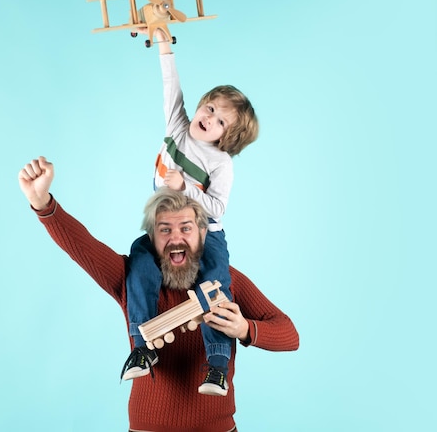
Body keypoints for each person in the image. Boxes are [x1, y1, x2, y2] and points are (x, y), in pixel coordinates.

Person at [18, 156, 299, 432]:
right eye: (165, 229)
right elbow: (83, 247)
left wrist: (244, 328)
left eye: (186, 228)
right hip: (148, 427)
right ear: (151, 237)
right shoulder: (130, 279)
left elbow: (289, 334)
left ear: (203, 234)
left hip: (217, 427)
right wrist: (43, 204)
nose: (176, 238)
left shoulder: (227, 282)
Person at [124, 27, 260, 396]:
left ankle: (217, 364)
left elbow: (217, 209)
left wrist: (186, 188)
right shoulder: (178, 128)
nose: (209, 117)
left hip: (204, 233)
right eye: (211, 107)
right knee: (139, 260)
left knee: (215, 282)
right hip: (166, 227)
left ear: (226, 137)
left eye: (220, 121)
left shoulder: (221, 163)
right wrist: (164, 43)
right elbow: (171, 86)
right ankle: (141, 348)